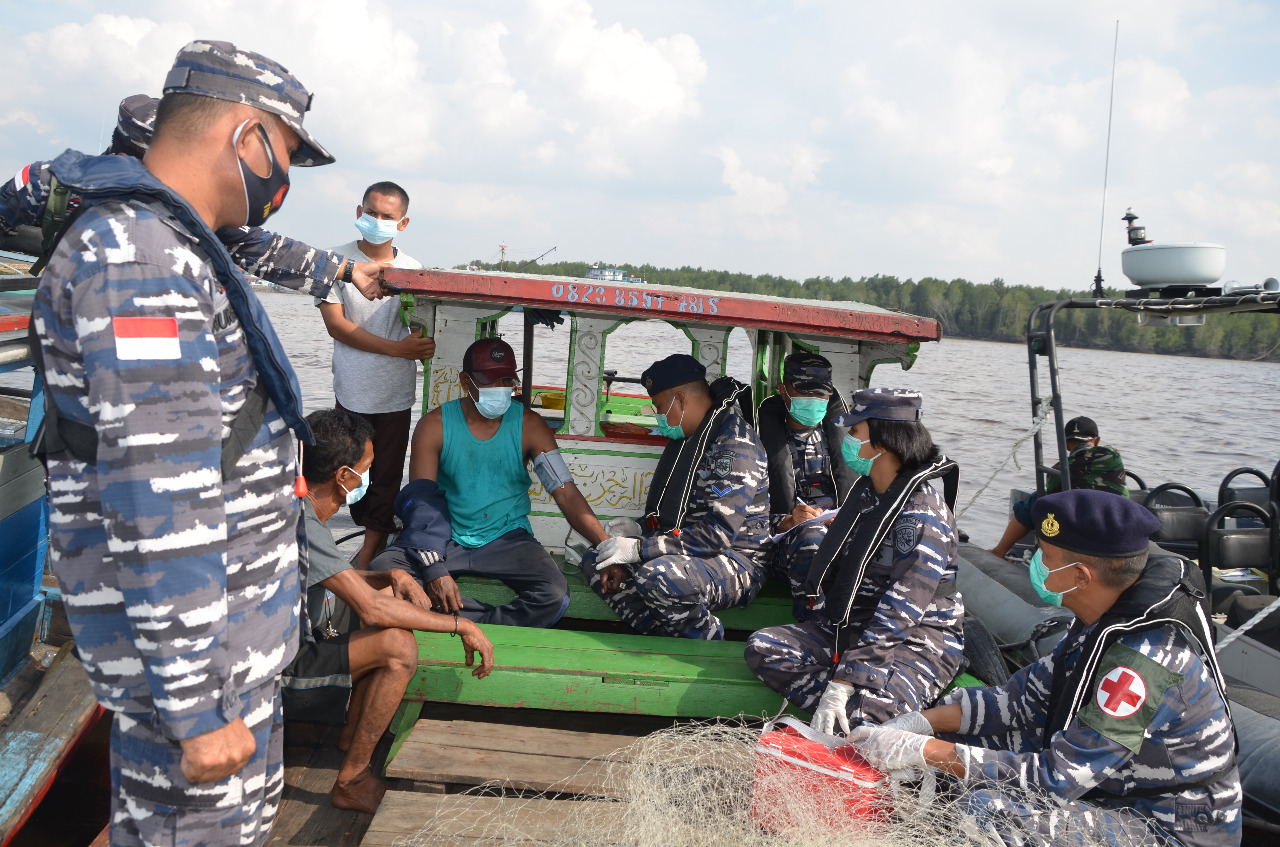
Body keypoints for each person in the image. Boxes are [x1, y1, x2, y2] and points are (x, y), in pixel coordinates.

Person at [31, 40, 337, 846]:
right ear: (246, 136)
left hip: (231, 651)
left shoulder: (178, 244)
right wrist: (196, 707)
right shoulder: (140, 259)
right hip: (198, 676)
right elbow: (159, 494)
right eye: (289, 152)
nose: (287, 177)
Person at [850, 490, 1241, 847]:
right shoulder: (1098, 625)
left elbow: (1057, 779)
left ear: (1080, 577)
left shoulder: (1140, 667)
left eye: (1044, 557)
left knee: (989, 809)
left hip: (1168, 828)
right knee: (972, 753)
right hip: (1118, 789)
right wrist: (917, 724)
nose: (1034, 564)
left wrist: (923, 750)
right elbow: (1017, 700)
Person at [282, 409, 493, 815]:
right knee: (397, 644)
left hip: (296, 635)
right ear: (344, 476)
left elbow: (335, 578)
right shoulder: (303, 521)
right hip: (278, 669)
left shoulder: (295, 503)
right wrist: (459, 624)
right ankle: (351, 779)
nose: (370, 478)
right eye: (366, 469)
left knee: (389, 602)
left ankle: (348, 735)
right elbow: (372, 610)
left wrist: (390, 574)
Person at [1, 93, 386, 299]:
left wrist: (350, 269)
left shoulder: (48, 180)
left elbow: (257, 246)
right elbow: (260, 248)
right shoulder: (51, 182)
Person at [744, 388, 963, 731]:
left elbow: (901, 610)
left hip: (915, 638)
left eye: (855, 432)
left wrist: (844, 681)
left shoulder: (920, 514)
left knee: (865, 719)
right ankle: (850, 707)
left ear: (883, 443)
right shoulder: (867, 494)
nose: (847, 440)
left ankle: (861, 705)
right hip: (855, 623)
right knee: (764, 647)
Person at [381, 337, 607, 626]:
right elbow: (422, 503)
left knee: (553, 595)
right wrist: (434, 568)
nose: (500, 390)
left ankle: (468, 622)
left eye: (505, 381)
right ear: (466, 381)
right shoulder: (434, 425)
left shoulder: (530, 425)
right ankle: (472, 622)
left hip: (508, 537)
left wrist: (606, 547)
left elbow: (565, 492)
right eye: (489, 381)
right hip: (446, 535)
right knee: (382, 576)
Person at [584, 354, 771, 640]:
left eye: (659, 407)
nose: (657, 416)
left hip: (736, 560)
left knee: (658, 575)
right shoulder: (691, 437)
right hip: (690, 551)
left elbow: (716, 537)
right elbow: (681, 514)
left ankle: (707, 645)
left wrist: (639, 549)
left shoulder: (733, 445)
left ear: (681, 400)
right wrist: (638, 531)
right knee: (598, 560)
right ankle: (666, 635)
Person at [318, 181, 432, 569]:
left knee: (385, 477)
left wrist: (415, 343)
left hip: (395, 394)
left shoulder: (413, 271)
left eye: (387, 216)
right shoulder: (334, 262)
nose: (378, 221)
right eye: (372, 213)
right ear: (358, 213)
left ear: (402, 223)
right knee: (340, 470)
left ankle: (369, 552)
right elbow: (337, 326)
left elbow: (420, 327)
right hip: (350, 390)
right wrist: (399, 349)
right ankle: (324, 545)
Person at [757, 352, 857, 619]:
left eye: (821, 395)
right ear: (783, 391)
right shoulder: (756, 443)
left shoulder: (851, 442)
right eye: (804, 393)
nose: (814, 401)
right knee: (812, 539)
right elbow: (742, 517)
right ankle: (814, 626)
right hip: (788, 544)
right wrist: (787, 522)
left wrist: (847, 520)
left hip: (838, 535)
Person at [992, 416, 1128, 559]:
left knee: (1035, 500)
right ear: (1097, 440)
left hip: (1074, 540)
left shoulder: (1056, 472)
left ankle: (999, 552)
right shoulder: (1113, 456)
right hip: (1116, 535)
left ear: (1066, 445)